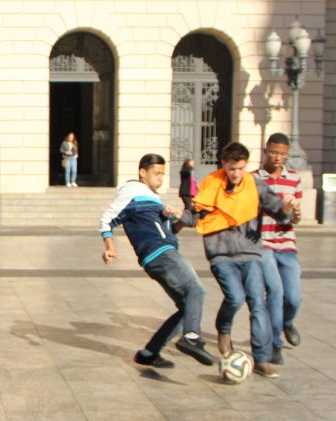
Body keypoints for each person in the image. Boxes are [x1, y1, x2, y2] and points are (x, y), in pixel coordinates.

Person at [175, 142, 297, 379]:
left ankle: (261, 359)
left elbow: (278, 211)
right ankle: (224, 330)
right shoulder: (212, 184)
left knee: (257, 303)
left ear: (246, 166)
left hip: (250, 254)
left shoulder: (254, 185)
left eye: (241, 168)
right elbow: (197, 214)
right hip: (221, 254)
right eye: (232, 169)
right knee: (235, 297)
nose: (236, 174)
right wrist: (178, 216)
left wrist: (286, 207)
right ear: (224, 165)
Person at [99, 153, 214, 369]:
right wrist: (109, 247)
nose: (160, 178)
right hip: (161, 253)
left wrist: (177, 219)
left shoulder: (152, 198)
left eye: (163, 174)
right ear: (143, 173)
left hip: (160, 252)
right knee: (196, 291)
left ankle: (149, 352)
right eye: (156, 173)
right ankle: (191, 337)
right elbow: (107, 219)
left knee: (186, 306)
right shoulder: (132, 192)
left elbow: (167, 231)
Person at [257, 133, 305, 363]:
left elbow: (296, 218)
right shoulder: (254, 178)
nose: (277, 158)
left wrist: (295, 213)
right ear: (266, 151)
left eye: (282, 154)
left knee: (294, 297)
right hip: (263, 244)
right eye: (274, 152)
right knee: (274, 291)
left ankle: (287, 322)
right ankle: (275, 343)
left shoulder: (294, 179)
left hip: (286, 244)